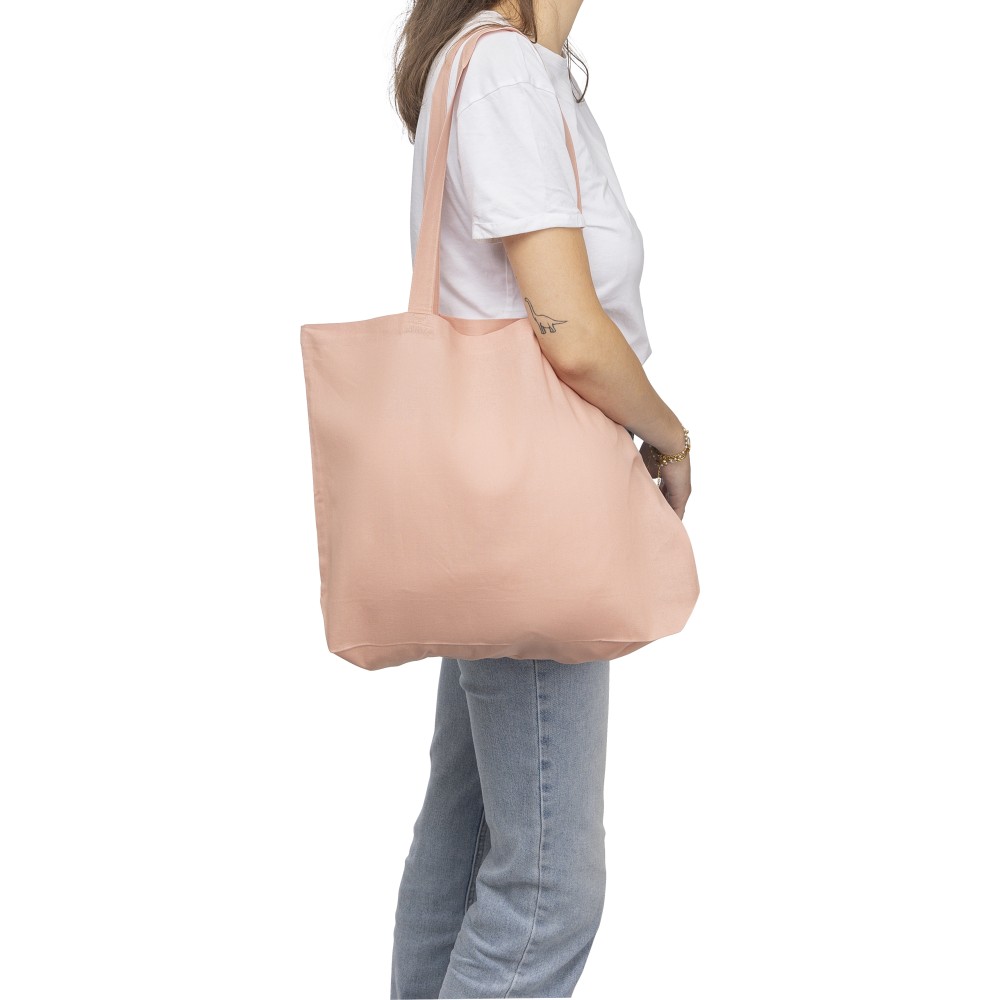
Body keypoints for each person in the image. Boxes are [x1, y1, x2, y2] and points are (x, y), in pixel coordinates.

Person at [388, 1, 692, 996]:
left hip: (502, 504)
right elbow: (569, 328)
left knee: (468, 833)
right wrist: (668, 433)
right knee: (549, 892)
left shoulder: (514, 67)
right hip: (533, 514)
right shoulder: (506, 70)